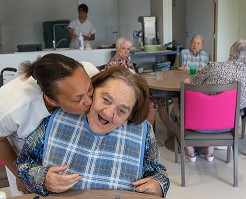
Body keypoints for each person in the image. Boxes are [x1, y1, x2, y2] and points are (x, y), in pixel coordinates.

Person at [15, 66, 170, 198]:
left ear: (130, 116)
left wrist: (158, 185)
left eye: (122, 110)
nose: (108, 113)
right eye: (106, 100)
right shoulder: (56, 118)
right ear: (92, 91)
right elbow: (23, 165)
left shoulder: (143, 131)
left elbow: (158, 173)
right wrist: (42, 178)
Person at [0, 53, 99, 196]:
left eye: (90, 90)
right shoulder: (12, 107)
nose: (89, 102)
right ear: (51, 101)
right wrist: (20, 175)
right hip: (25, 159)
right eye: (78, 100)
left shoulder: (87, 73)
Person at [184, 39, 246, 162]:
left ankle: (190, 149)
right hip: (229, 124)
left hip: (199, 122)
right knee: (220, 110)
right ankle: (209, 150)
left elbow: (191, 83)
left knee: (183, 107)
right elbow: (244, 103)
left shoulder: (214, 67)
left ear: (231, 51)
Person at [105, 37, 176, 138]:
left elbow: (135, 79)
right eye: (123, 48)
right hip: (126, 96)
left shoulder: (127, 62)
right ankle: (145, 137)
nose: (126, 51)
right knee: (153, 105)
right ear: (117, 48)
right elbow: (116, 86)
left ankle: (170, 130)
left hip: (135, 92)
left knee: (161, 102)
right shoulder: (114, 64)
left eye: (128, 49)